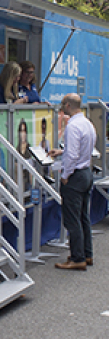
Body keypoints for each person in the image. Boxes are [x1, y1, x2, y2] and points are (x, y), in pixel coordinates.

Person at [50, 93, 97, 270]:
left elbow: (72, 155)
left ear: (68, 105)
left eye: (62, 104)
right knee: (84, 217)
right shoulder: (87, 124)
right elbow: (84, 149)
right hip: (86, 173)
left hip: (75, 176)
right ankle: (87, 253)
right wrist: (62, 152)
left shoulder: (72, 126)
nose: (61, 107)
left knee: (72, 219)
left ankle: (77, 258)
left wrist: (65, 176)